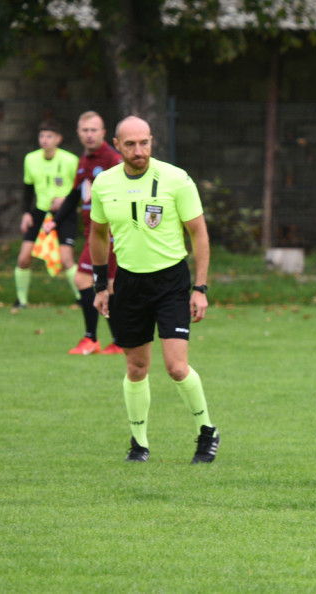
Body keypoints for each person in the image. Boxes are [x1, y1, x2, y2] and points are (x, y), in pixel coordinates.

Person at [89, 116, 219, 464]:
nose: (138, 151)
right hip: (128, 283)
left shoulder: (176, 179)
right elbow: (99, 234)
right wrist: (102, 284)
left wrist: (200, 288)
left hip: (171, 282)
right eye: (130, 144)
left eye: (144, 143)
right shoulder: (104, 184)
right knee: (136, 367)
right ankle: (139, 443)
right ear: (117, 145)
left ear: (152, 141)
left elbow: (199, 234)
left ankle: (207, 432)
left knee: (176, 367)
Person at [47, 111, 123, 355]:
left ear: (103, 133)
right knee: (109, 286)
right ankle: (119, 340)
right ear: (78, 133)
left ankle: (91, 339)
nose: (89, 135)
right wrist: (54, 222)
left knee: (84, 279)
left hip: (106, 233)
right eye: (85, 130)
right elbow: (73, 196)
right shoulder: (84, 160)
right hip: (94, 232)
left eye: (94, 130)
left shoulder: (112, 159)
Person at [13, 119, 80, 308]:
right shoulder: (31, 159)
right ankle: (21, 301)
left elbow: (79, 191)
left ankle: (82, 298)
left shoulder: (70, 161)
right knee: (24, 258)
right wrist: (26, 213)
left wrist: (64, 200)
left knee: (67, 259)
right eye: (41, 136)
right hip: (40, 212)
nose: (44, 140)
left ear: (58, 139)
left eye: (49, 136)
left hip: (65, 213)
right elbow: (27, 189)